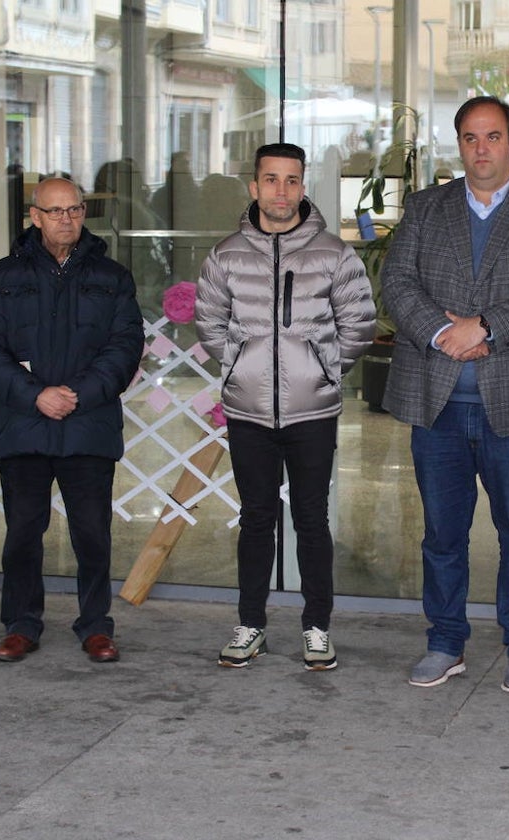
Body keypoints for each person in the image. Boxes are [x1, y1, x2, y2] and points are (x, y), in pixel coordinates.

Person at [380, 96, 509, 694]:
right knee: (442, 533)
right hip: (439, 402)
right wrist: (445, 333)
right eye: (470, 138)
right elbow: (397, 282)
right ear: (458, 144)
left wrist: (485, 327)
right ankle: (446, 641)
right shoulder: (425, 208)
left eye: (493, 137)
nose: (482, 149)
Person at [195, 142, 375, 671]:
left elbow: (359, 324)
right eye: (270, 180)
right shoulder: (226, 255)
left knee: (312, 521)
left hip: (311, 413)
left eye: (291, 180)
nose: (281, 190)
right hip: (249, 411)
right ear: (254, 187)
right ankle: (250, 624)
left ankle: (317, 628)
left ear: (303, 186)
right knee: (255, 519)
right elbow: (210, 324)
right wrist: (240, 367)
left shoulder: (334, 254)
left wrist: (319, 371)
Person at [0, 176, 143, 665]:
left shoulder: (113, 277)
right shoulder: (4, 276)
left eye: (73, 210)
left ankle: (95, 626)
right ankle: (21, 625)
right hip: (24, 424)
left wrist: (78, 394)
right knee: (24, 532)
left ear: (83, 212)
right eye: (54, 211)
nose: (65, 219)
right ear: (35, 216)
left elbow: (125, 346)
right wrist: (35, 396)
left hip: (88, 424)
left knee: (92, 533)